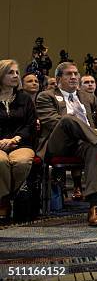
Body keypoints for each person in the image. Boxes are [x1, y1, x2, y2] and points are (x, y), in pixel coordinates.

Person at [37, 62, 97, 226]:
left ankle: (94, 206)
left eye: (76, 73)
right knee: (68, 119)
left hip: (85, 142)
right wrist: (91, 132)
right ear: (58, 78)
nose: (74, 77)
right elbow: (53, 123)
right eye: (69, 74)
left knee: (94, 146)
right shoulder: (46, 96)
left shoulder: (88, 97)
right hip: (58, 144)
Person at [0, 60, 36, 221]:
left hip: (21, 142)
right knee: (1, 162)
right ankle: (4, 202)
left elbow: (30, 124)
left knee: (21, 162)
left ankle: (5, 196)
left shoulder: (25, 98)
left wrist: (16, 138)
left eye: (16, 72)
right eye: (10, 72)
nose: (15, 75)